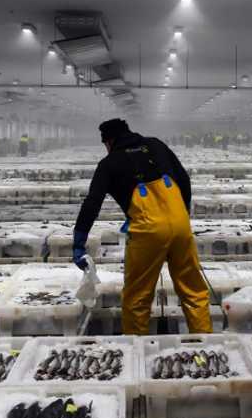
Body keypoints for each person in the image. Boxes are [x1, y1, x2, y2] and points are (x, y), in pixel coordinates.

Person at [72, 119, 212, 335]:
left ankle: (136, 349)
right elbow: (184, 180)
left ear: (109, 141)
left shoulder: (109, 164)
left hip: (147, 231)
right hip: (180, 225)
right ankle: (205, 341)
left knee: (137, 298)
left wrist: (79, 241)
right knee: (194, 291)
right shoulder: (156, 145)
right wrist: (180, 213)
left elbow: (92, 203)